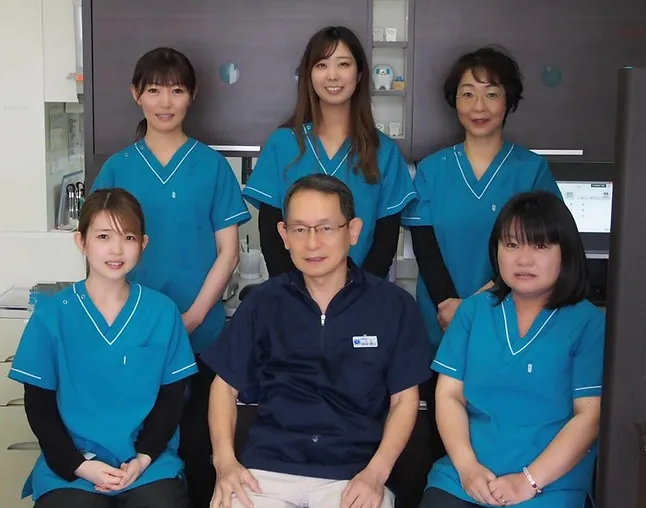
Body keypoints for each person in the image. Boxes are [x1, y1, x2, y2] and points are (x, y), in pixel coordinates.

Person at [202, 174, 431, 508]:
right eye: (299, 229)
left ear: (353, 231)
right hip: (267, 471)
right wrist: (225, 464)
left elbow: (404, 400)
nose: (312, 243)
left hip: (354, 474)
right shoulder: (263, 303)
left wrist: (376, 474)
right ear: (284, 235)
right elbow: (224, 387)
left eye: (326, 228)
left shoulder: (393, 306)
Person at [91, 47, 250, 508]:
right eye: (154, 90)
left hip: (202, 335)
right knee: (138, 450)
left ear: (192, 96)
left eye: (177, 90)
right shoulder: (118, 168)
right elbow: (101, 252)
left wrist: (194, 318)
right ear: (136, 94)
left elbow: (229, 252)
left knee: (200, 448)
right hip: (133, 336)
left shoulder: (211, 166)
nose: (165, 102)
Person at [8, 189, 197, 508]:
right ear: (81, 241)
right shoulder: (52, 315)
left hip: (146, 464)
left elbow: (171, 400)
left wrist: (142, 459)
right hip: (72, 464)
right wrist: (78, 465)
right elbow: (39, 406)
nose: (116, 249)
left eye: (128, 237)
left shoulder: (162, 313)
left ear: (143, 244)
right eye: (103, 236)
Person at [421, 191, 604, 508]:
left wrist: (529, 481)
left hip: (550, 484)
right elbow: (449, 395)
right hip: (466, 478)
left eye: (540, 246)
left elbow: (590, 416)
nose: (524, 259)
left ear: (566, 252)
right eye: (512, 244)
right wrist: (467, 468)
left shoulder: (588, 322)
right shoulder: (472, 312)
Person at [242, 26, 416, 279]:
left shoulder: (383, 151)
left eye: (343, 64)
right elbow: (271, 232)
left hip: (362, 293)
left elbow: (386, 240)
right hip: (293, 292)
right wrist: (294, 293)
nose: (332, 75)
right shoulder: (283, 144)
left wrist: (358, 294)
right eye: (322, 65)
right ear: (309, 75)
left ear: (359, 74)